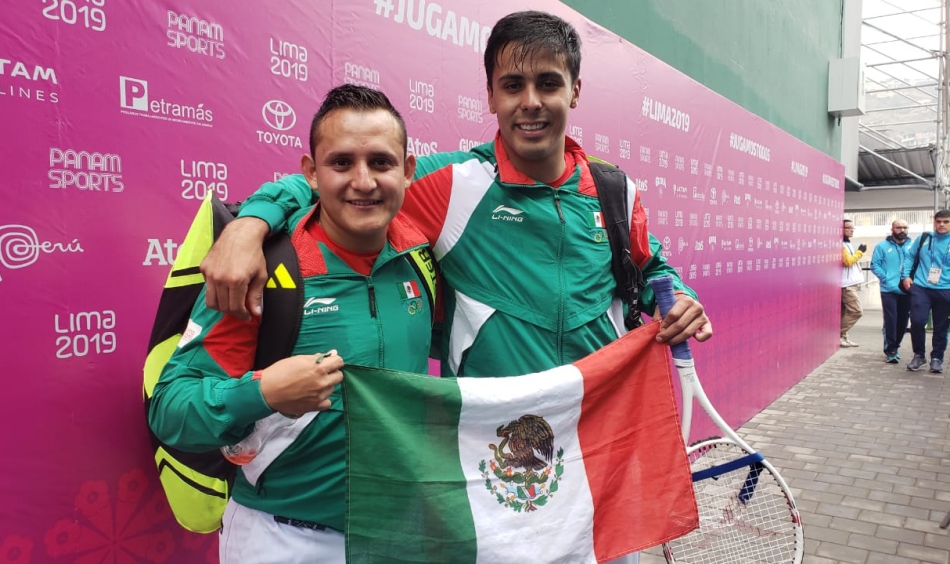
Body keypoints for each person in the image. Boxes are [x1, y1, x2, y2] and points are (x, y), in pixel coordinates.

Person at [200, 11, 712, 563]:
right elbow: (339, 185)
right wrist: (249, 225)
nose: (531, 102)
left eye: (548, 83)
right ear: (491, 96)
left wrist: (677, 297)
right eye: (512, 85)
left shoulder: (616, 192)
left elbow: (650, 269)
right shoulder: (453, 184)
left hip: (597, 459)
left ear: (576, 90)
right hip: (499, 469)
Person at [148, 84, 433, 562]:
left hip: (395, 534)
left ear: (407, 171)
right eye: (340, 163)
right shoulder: (264, 271)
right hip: (282, 539)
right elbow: (170, 412)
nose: (363, 181)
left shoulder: (420, 258)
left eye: (381, 163)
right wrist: (260, 393)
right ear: (311, 173)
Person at [901, 210, 950, 373]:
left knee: (941, 326)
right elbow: (909, 257)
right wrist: (906, 276)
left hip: (946, 290)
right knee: (918, 321)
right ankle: (919, 355)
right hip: (921, 287)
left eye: (946, 222)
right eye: (938, 221)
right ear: (934, 222)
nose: (941, 224)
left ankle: (937, 358)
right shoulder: (924, 238)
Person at [871, 219, 912, 363]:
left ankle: (896, 345)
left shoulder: (913, 247)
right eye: (899, 227)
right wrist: (886, 279)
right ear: (892, 229)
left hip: (907, 290)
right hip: (889, 289)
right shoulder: (882, 246)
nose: (902, 230)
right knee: (891, 320)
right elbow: (874, 265)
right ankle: (891, 350)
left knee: (902, 321)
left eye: (904, 228)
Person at [840, 219, 867, 347]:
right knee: (856, 311)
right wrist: (860, 251)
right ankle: (836, 334)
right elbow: (848, 261)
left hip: (852, 283)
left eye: (852, 228)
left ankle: (843, 337)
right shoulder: (841, 244)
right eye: (848, 227)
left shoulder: (847, 242)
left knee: (845, 312)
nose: (851, 230)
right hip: (847, 285)